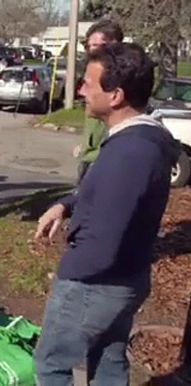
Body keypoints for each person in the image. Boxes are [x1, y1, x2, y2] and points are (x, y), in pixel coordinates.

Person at [33, 43, 179, 386]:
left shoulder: (131, 153)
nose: (81, 90)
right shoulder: (140, 138)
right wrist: (66, 204)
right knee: (109, 360)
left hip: (96, 285)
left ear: (115, 96)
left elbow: (103, 243)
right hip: (125, 279)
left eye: (87, 83)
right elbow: (109, 193)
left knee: (51, 365)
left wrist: (69, 275)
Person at [74, 19, 124, 182]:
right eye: (89, 46)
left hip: (103, 161)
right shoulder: (93, 70)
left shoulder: (119, 77)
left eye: (98, 45)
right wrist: (85, 146)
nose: (82, 92)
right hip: (89, 157)